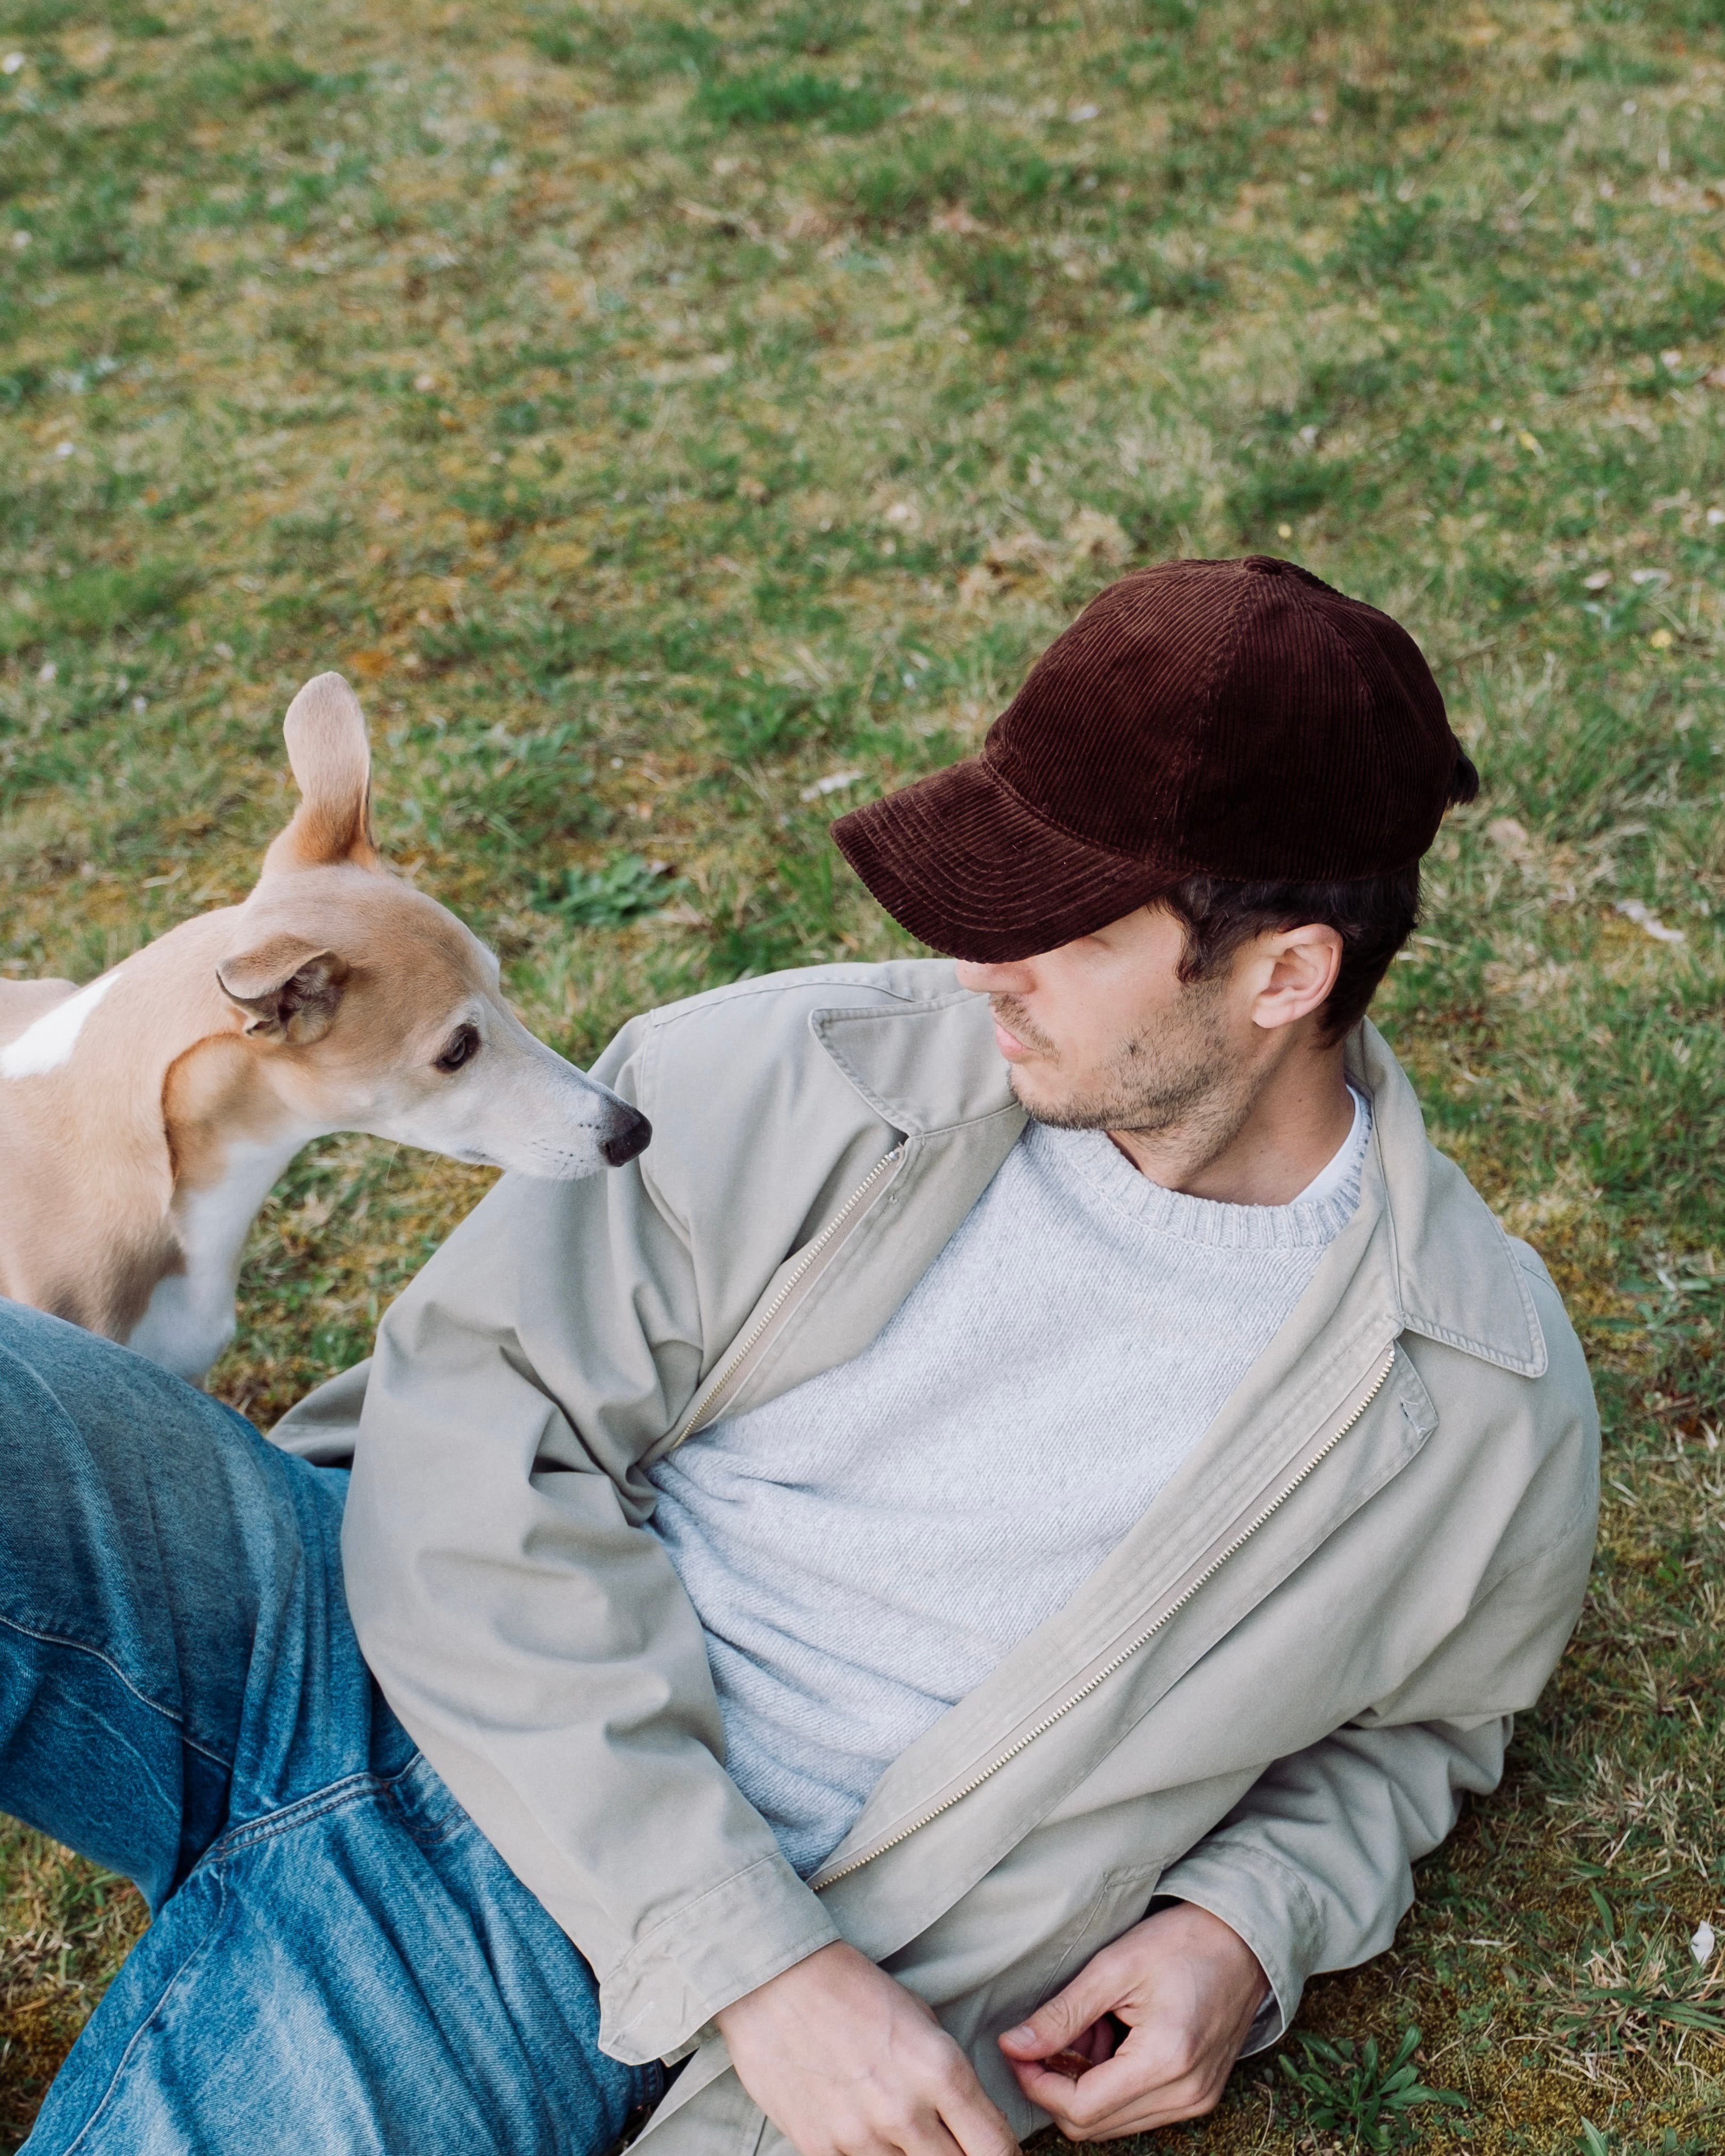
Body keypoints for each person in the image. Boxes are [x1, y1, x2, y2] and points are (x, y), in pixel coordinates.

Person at [0, 555, 1598, 2155]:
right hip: (341, 1619)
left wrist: (1241, 1928)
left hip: (561, 1961)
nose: (982, 964)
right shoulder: (796, 1064)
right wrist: (756, 1963)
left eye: (1053, 928)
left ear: (1281, 975)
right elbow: (472, 1423)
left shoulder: (1467, 1401)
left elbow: (1420, 1728)